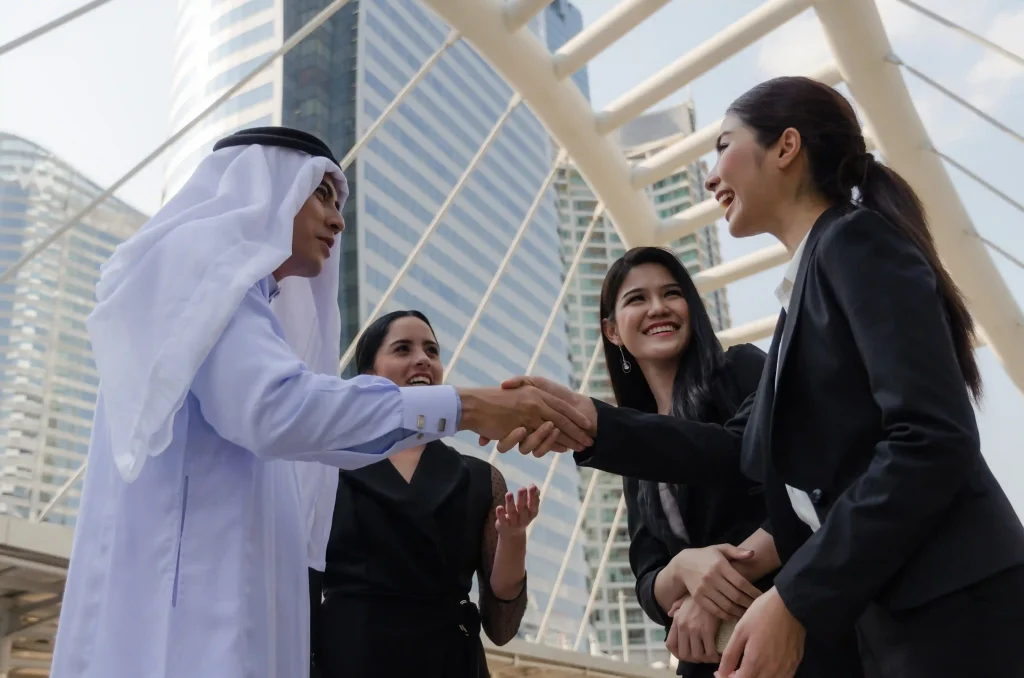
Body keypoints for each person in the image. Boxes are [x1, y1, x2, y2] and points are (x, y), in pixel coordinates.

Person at [501, 76, 1024, 678]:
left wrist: (793, 596)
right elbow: (734, 450)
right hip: (896, 609)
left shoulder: (854, 244)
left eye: (723, 147)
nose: (710, 176)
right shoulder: (805, 291)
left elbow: (932, 439)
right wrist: (590, 422)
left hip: (951, 605)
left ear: (786, 147)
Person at [50, 126, 593, 678]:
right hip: (193, 606)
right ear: (268, 187)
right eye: (321, 194)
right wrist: (466, 407)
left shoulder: (240, 300)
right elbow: (275, 407)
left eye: (340, 202)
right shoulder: (205, 276)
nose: (337, 219)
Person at [312, 310, 534, 677]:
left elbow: (501, 626)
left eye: (432, 350)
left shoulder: (481, 478)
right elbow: (300, 589)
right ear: (368, 376)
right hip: (349, 659)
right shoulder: (326, 467)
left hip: (448, 660)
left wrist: (513, 539)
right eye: (403, 349)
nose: (422, 359)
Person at [587, 246, 774, 677]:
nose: (658, 308)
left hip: (788, 628)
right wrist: (684, 568)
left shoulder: (743, 372)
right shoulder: (637, 445)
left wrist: (708, 589)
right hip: (708, 658)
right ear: (612, 331)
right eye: (637, 299)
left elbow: (803, 495)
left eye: (671, 294)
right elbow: (648, 580)